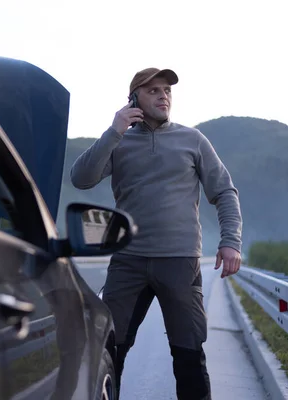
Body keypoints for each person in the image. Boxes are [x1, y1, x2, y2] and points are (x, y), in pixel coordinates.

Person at [70, 67, 243, 399]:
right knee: (110, 352)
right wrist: (115, 130)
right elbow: (82, 178)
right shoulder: (119, 143)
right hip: (128, 261)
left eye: (167, 91)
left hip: (179, 262)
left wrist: (231, 242)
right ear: (134, 98)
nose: (164, 96)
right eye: (154, 91)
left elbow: (224, 192)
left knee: (189, 354)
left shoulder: (192, 140)